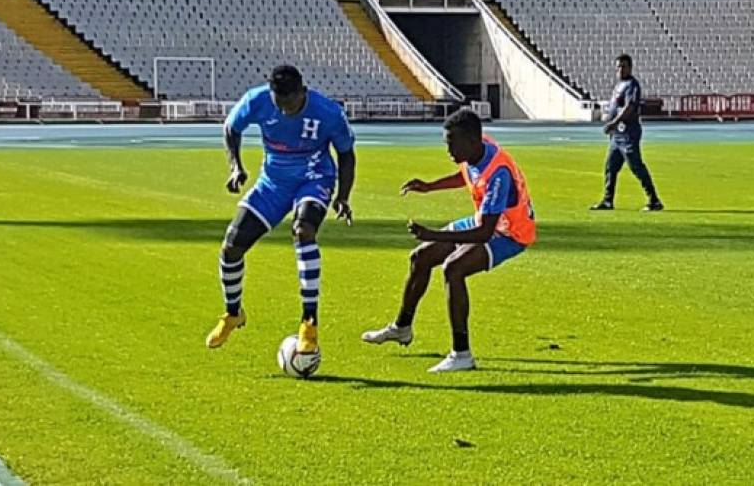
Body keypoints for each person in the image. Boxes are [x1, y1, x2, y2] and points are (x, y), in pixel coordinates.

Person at [361, 108, 536, 372]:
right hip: (487, 220)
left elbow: (484, 234)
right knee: (421, 257)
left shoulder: (498, 173)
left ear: (471, 141)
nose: (448, 150)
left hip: (510, 233)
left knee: (454, 268)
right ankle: (402, 327)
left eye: (452, 143)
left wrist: (434, 234)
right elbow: (467, 175)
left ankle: (461, 354)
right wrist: (430, 186)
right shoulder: (480, 149)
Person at [206, 65, 356, 358]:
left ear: (302, 92)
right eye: (279, 104)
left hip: (314, 179)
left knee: (304, 231)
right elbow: (231, 128)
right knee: (232, 246)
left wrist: (343, 197)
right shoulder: (257, 100)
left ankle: (309, 322)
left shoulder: (328, 112)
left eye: (290, 104)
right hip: (272, 183)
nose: (285, 111)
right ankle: (233, 313)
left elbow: (347, 154)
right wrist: (236, 166)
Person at [591, 54, 663, 212]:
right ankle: (608, 200)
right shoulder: (619, 85)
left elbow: (629, 107)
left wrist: (614, 122)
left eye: (623, 66)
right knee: (611, 167)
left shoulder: (632, 85)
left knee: (636, 166)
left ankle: (654, 200)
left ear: (630, 67)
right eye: (618, 67)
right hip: (617, 136)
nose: (620, 70)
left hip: (628, 133)